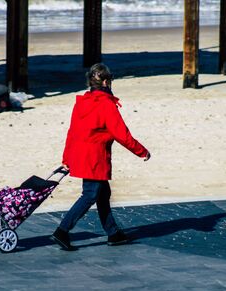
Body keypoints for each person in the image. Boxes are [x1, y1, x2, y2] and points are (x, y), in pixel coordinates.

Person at [51, 63, 151, 251]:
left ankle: (113, 233)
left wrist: (67, 158)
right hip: (95, 158)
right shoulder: (106, 104)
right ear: (106, 82)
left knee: (103, 194)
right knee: (90, 195)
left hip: (80, 155)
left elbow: (72, 132)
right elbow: (122, 134)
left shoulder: (82, 102)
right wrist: (142, 151)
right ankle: (62, 231)